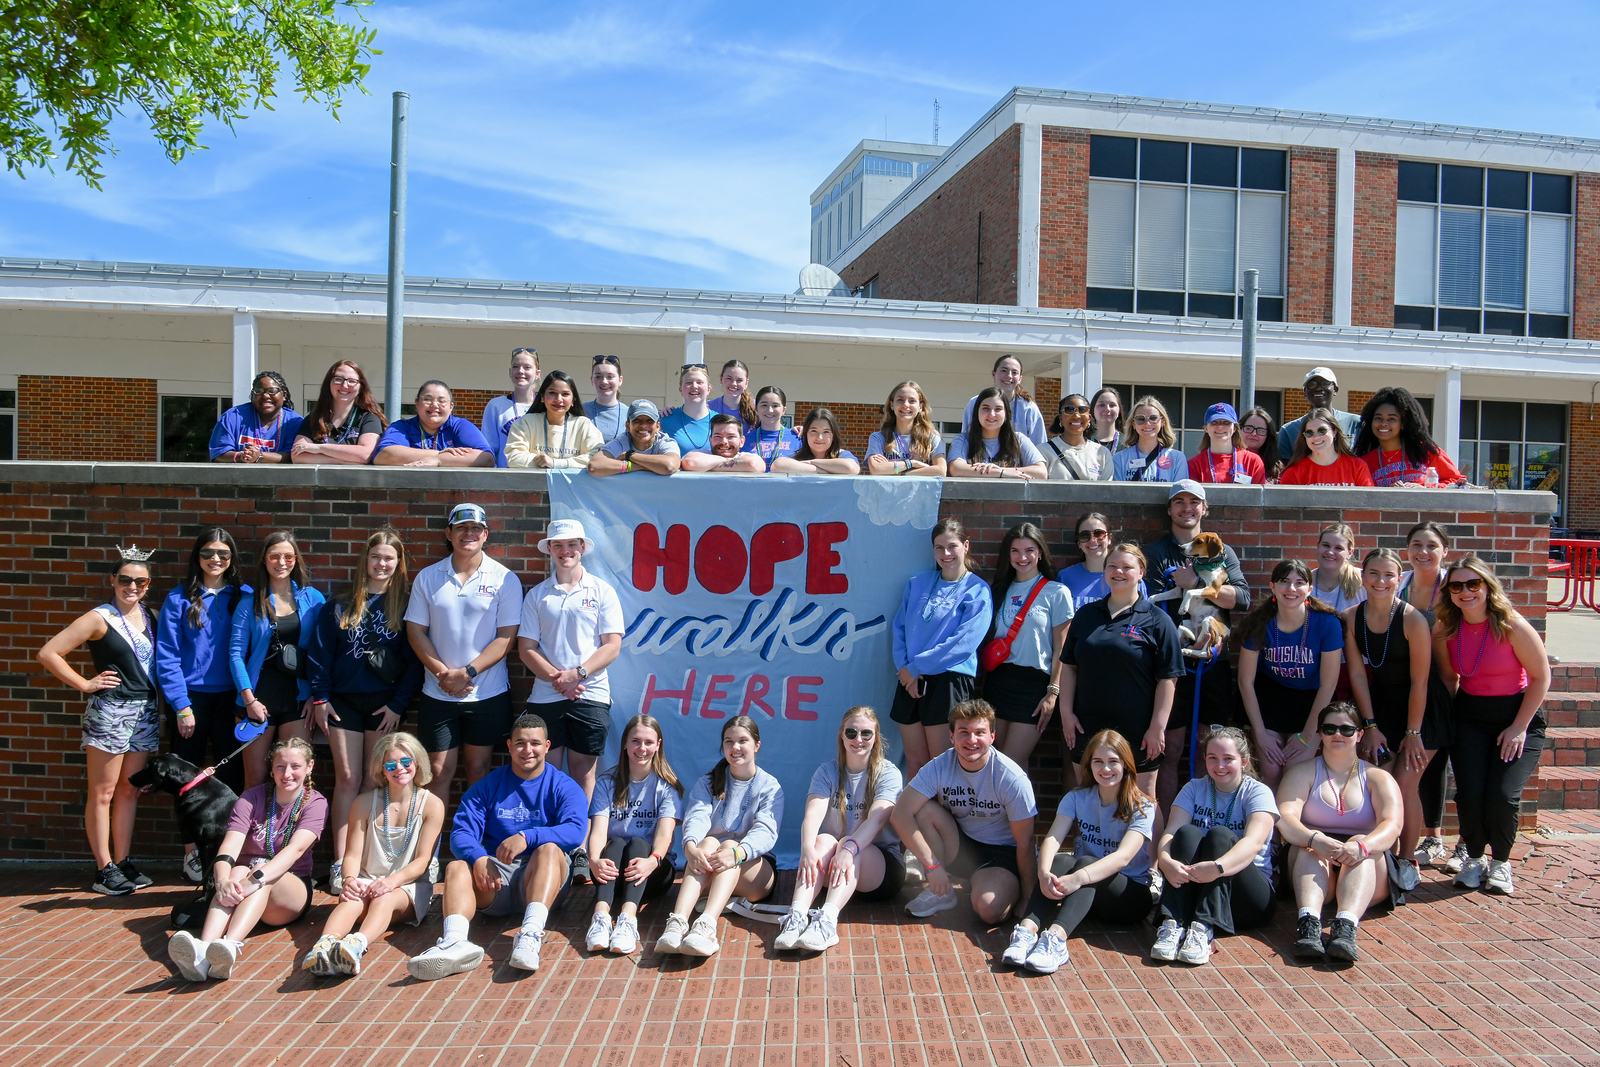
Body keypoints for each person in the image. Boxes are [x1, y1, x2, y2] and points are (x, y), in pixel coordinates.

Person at [406, 713, 587, 979]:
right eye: (521, 743)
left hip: (541, 879)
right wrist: (479, 858)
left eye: (535, 743)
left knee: (549, 849)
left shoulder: (563, 786)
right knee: (457, 866)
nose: (528, 750)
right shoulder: (488, 787)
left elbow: (575, 831)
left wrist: (528, 837)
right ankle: (455, 942)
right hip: (495, 880)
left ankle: (530, 935)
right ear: (509, 746)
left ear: (547, 746)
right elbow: (461, 833)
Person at [37, 545, 162, 895]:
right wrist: (85, 683)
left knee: (129, 790)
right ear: (112, 580)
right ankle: (103, 868)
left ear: (148, 584)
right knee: (103, 791)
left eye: (140, 581)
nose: (132, 586)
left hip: (145, 711)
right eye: (125, 579)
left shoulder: (151, 616)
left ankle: (122, 861)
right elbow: (49, 653)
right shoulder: (99, 618)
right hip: (110, 711)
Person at [306, 529, 423, 895]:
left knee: (377, 781)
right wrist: (320, 698)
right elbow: (320, 653)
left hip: (384, 705)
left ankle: (371, 864)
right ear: (366, 560)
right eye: (376, 557)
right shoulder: (340, 602)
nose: (382, 564)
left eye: (389, 558)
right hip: (342, 703)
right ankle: (342, 864)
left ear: (398, 564)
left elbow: (414, 662)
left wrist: (399, 704)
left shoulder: (406, 605)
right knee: (347, 777)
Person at [1433, 557, 1550, 896]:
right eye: (1457, 586)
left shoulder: (1511, 625)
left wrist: (1519, 727)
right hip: (1470, 715)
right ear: (1449, 592)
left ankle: (1500, 862)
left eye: (1474, 584)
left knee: (1502, 794)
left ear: (1487, 586)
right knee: (1469, 793)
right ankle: (1473, 858)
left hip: (1517, 716)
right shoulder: (1445, 628)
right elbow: (1448, 676)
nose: (1466, 592)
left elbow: (1542, 677)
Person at [166, 738, 327, 982]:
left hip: (289, 891)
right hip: (244, 883)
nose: (287, 774)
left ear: (309, 767)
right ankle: (203, 951)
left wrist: (255, 879)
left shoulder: (316, 802)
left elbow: (295, 850)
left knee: (260, 870)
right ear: (271, 769)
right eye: (280, 767)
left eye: (295, 766)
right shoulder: (251, 798)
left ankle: (230, 946)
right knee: (234, 872)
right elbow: (229, 846)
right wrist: (221, 881)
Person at [1001, 730, 1155, 974]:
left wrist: (1078, 878)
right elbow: (1053, 836)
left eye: (1113, 761)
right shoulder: (1077, 797)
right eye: (1098, 762)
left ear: (1126, 765)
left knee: (1083, 862)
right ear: (1089, 766)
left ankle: (1056, 940)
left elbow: (1123, 857)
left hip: (1129, 896)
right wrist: (1043, 872)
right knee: (1061, 860)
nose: (1106, 768)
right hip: (1086, 892)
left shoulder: (1142, 805)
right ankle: (1027, 932)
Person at [1143, 480, 1249, 814]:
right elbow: (1149, 606)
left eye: (1194, 502)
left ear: (1205, 508)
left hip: (1212, 663)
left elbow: (1242, 599)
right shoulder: (1157, 553)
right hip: (1170, 666)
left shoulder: (1222, 551)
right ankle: (1169, 829)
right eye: (1179, 502)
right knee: (1170, 749)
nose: (1186, 508)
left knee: (1210, 748)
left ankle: (1207, 821)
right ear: (1170, 509)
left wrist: (1200, 583)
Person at [301, 732, 445, 976]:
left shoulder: (432, 804)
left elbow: (422, 861)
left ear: (417, 763)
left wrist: (390, 882)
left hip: (406, 887)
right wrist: (348, 880)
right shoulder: (364, 802)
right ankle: (322, 947)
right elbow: (352, 855)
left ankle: (356, 946)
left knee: (384, 897)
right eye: (390, 765)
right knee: (352, 898)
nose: (399, 769)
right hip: (368, 880)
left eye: (406, 762)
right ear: (381, 769)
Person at [405, 503, 523, 802]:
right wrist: (444, 675)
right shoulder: (428, 577)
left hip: (486, 693)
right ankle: (430, 848)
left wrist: (466, 673)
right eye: (461, 528)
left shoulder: (505, 579)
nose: (468, 534)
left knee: (479, 769)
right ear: (449, 533)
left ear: (485, 535)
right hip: (437, 692)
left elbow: (506, 638)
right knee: (437, 770)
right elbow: (415, 631)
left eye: (474, 529)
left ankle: (474, 847)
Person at [1344, 547, 1445, 893]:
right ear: (1363, 575)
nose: (1381, 581)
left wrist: (1413, 733)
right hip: (1381, 708)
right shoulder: (1350, 617)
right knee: (1377, 780)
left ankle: (1407, 859)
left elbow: (1421, 681)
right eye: (1374, 573)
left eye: (1389, 575)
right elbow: (1357, 676)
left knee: (1404, 784)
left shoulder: (1413, 618)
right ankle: (1378, 856)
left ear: (1398, 578)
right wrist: (1370, 727)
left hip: (1424, 709)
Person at [517, 520, 623, 843]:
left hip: (590, 696)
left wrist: (577, 675)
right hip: (546, 697)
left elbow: (612, 645)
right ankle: (546, 840)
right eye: (558, 546)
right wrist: (557, 679)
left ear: (582, 548)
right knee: (543, 772)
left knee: (582, 773)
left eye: (571, 545)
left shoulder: (602, 591)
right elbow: (526, 648)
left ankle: (576, 844)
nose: (566, 552)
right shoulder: (537, 596)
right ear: (549, 549)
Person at [1276, 703, 1404, 962]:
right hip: (1313, 861)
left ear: (1359, 734)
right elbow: (1284, 817)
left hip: (1364, 865)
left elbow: (1392, 825)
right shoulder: (1302, 772)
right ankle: (1309, 925)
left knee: (1361, 841)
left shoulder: (1378, 777)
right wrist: (1315, 839)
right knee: (1307, 843)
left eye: (1346, 729)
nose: (1338, 734)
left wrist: (1362, 847)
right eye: (1330, 728)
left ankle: (1346, 928)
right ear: (1320, 733)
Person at [1058, 543, 1183, 805]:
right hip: (1087, 724)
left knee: (1144, 800)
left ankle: (1148, 849)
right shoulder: (1086, 615)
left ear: (1141, 573)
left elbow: (1168, 679)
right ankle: (1088, 847)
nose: (1119, 571)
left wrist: (1157, 728)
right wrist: (1066, 714)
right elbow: (1069, 666)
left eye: (1127, 567)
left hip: (1139, 728)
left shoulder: (1157, 620)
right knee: (1087, 798)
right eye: (1113, 566)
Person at [892, 700, 1038, 924]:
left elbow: (1025, 842)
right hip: (960, 844)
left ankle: (1004, 885)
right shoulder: (940, 766)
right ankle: (942, 892)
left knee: (989, 910)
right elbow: (900, 814)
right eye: (963, 732)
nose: (972, 740)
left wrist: (1029, 897)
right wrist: (932, 866)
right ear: (951, 737)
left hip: (1002, 854)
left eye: (980, 732)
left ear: (992, 736)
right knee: (922, 810)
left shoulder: (1011, 778)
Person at [155, 529, 247, 882]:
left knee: (232, 777)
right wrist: (181, 705)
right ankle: (191, 854)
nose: (216, 559)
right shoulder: (179, 599)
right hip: (190, 699)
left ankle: (229, 853)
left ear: (231, 559)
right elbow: (167, 656)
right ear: (198, 556)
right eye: (209, 552)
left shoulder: (244, 597)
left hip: (232, 698)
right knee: (187, 782)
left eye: (223, 553)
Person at [775, 707, 905, 953]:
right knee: (822, 840)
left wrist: (850, 847)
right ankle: (797, 916)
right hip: (838, 869)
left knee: (845, 840)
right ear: (842, 736)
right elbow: (813, 814)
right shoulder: (827, 771)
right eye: (852, 732)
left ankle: (827, 923)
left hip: (880, 870)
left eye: (866, 733)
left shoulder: (888, 773)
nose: (859, 739)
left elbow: (877, 819)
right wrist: (806, 849)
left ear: (876, 737)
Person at [656, 716, 784, 958]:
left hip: (754, 874)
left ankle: (707, 927)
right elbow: (697, 816)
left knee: (729, 844)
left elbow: (766, 831)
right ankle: (677, 923)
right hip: (710, 866)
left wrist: (737, 852)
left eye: (742, 741)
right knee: (708, 842)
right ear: (723, 746)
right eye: (729, 741)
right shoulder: (708, 781)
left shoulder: (769, 786)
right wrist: (690, 847)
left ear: (757, 745)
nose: (735, 748)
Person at [1151, 727, 1279, 966]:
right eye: (1212, 758)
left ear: (1244, 761)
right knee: (1187, 832)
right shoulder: (1193, 788)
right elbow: (1170, 833)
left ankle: (1202, 927)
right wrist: (1165, 861)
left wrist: (1218, 868)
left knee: (1220, 835)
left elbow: (1253, 843)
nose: (1219, 766)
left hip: (1248, 898)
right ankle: (1173, 924)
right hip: (1200, 888)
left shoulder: (1258, 793)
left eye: (1228, 759)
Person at [890, 518, 993, 779]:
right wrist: (904, 668)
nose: (945, 554)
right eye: (939, 547)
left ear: (966, 546)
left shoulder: (978, 590)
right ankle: (915, 821)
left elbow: (964, 643)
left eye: (952, 546)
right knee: (916, 764)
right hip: (909, 680)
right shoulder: (917, 584)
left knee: (942, 767)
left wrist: (915, 667)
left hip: (947, 681)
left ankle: (941, 821)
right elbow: (899, 627)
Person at [1235, 560, 1344, 791]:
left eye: (1299, 583)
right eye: (1284, 582)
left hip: (1310, 702)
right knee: (1272, 771)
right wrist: (1260, 733)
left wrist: (1307, 734)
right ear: (1272, 587)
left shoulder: (1327, 624)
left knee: (1295, 771)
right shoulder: (1258, 623)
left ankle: (1292, 826)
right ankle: (1270, 827)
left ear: (1309, 590)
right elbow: (1246, 682)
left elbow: (1328, 684)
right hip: (1269, 700)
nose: (1291, 589)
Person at [229, 532, 325, 789]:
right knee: (256, 778)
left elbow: (322, 651)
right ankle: (253, 830)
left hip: (298, 702)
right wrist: (249, 700)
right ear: (264, 560)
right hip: (257, 702)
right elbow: (236, 654)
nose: (281, 562)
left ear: (296, 560)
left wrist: (314, 696)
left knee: (296, 779)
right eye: (274, 556)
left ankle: (291, 830)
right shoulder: (249, 603)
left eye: (288, 556)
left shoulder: (313, 599)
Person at [582, 715, 683, 955]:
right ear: (625, 744)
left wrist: (653, 860)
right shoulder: (607, 782)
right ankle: (600, 918)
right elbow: (598, 831)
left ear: (658, 745)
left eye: (648, 742)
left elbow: (665, 834)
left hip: (653, 872)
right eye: (636, 741)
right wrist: (593, 860)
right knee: (616, 842)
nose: (642, 748)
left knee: (638, 843)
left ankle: (628, 920)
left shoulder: (667, 786)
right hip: (612, 873)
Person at [983, 523, 1073, 768]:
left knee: (1011, 765)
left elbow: (1061, 648)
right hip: (999, 682)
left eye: (1029, 550)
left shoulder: (1056, 592)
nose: (1022, 557)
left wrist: (1052, 692)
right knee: (991, 761)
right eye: (1015, 551)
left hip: (1034, 687)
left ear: (1040, 553)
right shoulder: (998, 590)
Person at [1398, 521, 1455, 869]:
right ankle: (1425, 838)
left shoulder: (1455, 585)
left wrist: (1452, 696)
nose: (1423, 552)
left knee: (1445, 764)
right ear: (1407, 551)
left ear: (1445, 550)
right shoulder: (1398, 584)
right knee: (1419, 767)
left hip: (1448, 687)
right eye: (1416, 545)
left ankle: (1452, 841)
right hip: (1408, 688)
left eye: (1432, 545)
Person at [1355, 386, 1467, 487]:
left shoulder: (1426, 451)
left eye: (1392, 419)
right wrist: (1387, 493)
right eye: (1378, 418)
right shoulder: (1365, 462)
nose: (1383, 423)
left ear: (1403, 423)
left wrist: (1425, 488)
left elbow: (1457, 481)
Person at [371, 380, 494, 467]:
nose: (434, 405)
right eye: (427, 399)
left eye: (442, 401)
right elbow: (384, 455)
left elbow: (486, 458)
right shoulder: (401, 427)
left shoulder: (460, 426)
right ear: (416, 403)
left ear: (451, 407)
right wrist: (439, 453)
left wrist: (438, 461)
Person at [290, 360, 387, 465]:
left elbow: (365, 455)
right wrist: (346, 462)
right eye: (338, 379)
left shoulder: (369, 419)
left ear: (360, 386)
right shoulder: (313, 419)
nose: (345, 385)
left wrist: (318, 448)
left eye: (352, 381)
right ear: (329, 384)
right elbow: (297, 455)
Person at [505, 370, 604, 469]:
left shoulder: (583, 425)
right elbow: (513, 457)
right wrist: (542, 462)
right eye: (552, 393)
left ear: (573, 400)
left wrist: (555, 463)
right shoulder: (526, 423)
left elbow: (597, 459)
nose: (558, 399)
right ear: (542, 397)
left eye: (565, 394)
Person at [948, 386, 1049, 480]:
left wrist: (1002, 470)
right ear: (976, 412)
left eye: (998, 409)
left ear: (1006, 414)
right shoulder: (963, 440)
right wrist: (1000, 473)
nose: (992, 414)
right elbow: (956, 469)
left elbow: (1041, 472)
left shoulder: (1019, 439)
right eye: (986, 408)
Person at [209, 371, 304, 463]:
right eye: (259, 391)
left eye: (272, 391)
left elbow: (295, 456)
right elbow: (218, 453)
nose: (266, 396)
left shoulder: (295, 422)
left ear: (284, 395)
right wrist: (240, 457)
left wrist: (260, 456)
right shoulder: (233, 416)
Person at [1061, 512, 1145, 610]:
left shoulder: (1130, 578)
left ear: (1109, 538)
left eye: (1099, 534)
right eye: (1084, 535)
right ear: (1079, 543)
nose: (1092, 540)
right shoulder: (1065, 577)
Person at [1276, 367, 1362, 459]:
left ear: (1335, 390)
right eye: (1312, 384)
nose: (1318, 388)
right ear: (1304, 392)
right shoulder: (1288, 430)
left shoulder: (1357, 423)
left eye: (1325, 383)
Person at [960, 355, 1047, 445]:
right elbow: (966, 438)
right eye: (1004, 371)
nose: (1009, 376)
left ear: (1020, 378)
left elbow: (1040, 445)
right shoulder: (975, 403)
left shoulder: (1028, 407)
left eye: (1014, 372)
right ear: (994, 374)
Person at [865, 380, 947, 476]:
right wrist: (912, 463)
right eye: (900, 400)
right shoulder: (878, 438)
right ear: (892, 405)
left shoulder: (931, 437)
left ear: (920, 406)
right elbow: (876, 469)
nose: (906, 405)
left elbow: (941, 470)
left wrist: (898, 472)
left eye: (912, 401)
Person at [1279, 408, 1375, 486]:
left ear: (1335, 432)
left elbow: (1368, 505)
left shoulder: (1357, 467)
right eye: (1309, 433)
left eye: (1322, 431)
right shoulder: (1293, 473)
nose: (1316, 437)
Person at [588, 399, 683, 477]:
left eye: (650, 421)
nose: (643, 426)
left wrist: (629, 456)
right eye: (637, 421)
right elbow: (594, 467)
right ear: (628, 426)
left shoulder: (665, 442)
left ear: (658, 426)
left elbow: (669, 466)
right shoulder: (622, 441)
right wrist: (636, 466)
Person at [480, 348, 541, 466]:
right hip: (504, 479)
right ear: (510, 372)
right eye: (516, 366)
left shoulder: (545, 406)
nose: (520, 371)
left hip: (537, 478)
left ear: (537, 373)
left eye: (527, 367)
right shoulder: (496, 406)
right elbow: (489, 449)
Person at [1111, 395, 1187, 482]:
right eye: (1140, 419)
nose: (1147, 423)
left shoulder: (1177, 458)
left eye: (1153, 418)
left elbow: (1180, 494)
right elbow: (1118, 493)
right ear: (1133, 424)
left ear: (1162, 422)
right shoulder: (1119, 459)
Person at [1186, 403, 1265, 485]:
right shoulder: (1194, 464)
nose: (1220, 426)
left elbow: (1259, 496)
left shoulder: (1252, 461)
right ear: (1206, 428)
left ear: (1234, 428)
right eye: (1214, 422)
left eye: (1226, 422)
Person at [1043, 393, 1113, 481]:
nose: (1076, 415)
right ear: (1060, 418)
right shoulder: (1044, 451)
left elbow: (1106, 491)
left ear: (1089, 417)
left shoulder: (1102, 453)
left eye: (1083, 410)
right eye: (1069, 410)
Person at [772, 406, 861, 475]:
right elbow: (777, 465)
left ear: (833, 435)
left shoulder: (842, 455)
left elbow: (851, 468)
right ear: (806, 433)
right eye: (814, 431)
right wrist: (827, 471)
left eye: (826, 432)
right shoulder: (796, 457)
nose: (820, 437)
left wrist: (812, 462)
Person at [742, 385, 804, 470]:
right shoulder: (743, 441)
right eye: (764, 405)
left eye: (775, 405)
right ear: (756, 408)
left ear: (783, 410)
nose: (770, 410)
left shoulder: (798, 439)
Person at [679, 413, 766, 473]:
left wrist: (705, 466)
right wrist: (735, 464)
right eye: (718, 436)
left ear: (741, 441)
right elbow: (689, 462)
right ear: (710, 440)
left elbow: (753, 464)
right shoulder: (701, 453)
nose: (724, 441)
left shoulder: (746, 456)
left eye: (730, 436)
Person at [661, 364, 716, 453]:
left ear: (709, 389)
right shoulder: (666, 419)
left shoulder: (720, 421)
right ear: (681, 389)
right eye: (688, 382)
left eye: (700, 382)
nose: (694, 386)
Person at [1312, 523, 1365, 614]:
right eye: (1326, 545)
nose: (1330, 552)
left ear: (1350, 553)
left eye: (1338, 548)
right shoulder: (1303, 581)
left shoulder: (1363, 580)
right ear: (1318, 546)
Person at [584, 354, 627, 442]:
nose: (604, 381)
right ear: (592, 380)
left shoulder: (629, 414)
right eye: (598, 376)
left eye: (610, 377)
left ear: (620, 380)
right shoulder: (581, 411)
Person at [708, 358, 757, 433]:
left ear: (746, 383)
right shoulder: (708, 407)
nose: (734, 384)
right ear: (721, 379)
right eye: (729, 378)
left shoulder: (757, 407)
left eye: (739, 380)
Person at [1240, 407, 1286, 482]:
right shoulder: (1230, 460)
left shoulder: (1277, 470)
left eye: (1261, 430)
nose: (1254, 434)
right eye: (1248, 428)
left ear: (1268, 435)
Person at [1089, 386, 1125, 450]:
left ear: (1119, 410)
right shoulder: (1082, 441)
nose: (1107, 409)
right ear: (1092, 409)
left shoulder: (1127, 443)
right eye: (1101, 405)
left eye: (1112, 405)